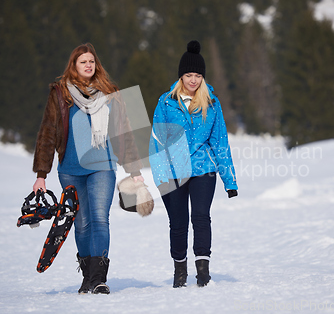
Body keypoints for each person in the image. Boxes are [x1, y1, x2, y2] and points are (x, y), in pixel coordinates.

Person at [32, 43, 143, 294]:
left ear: (97, 65)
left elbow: (123, 134)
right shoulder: (61, 94)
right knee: (81, 224)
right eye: (83, 62)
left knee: (100, 220)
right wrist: (41, 175)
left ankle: (99, 278)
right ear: (74, 65)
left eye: (91, 61)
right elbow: (48, 133)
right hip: (70, 169)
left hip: (102, 166)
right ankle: (86, 277)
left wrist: (133, 169)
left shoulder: (111, 94)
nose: (88, 65)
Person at [149, 40, 238, 288]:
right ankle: (180, 272)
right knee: (178, 223)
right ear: (181, 76)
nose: (193, 80)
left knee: (200, 217)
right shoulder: (166, 103)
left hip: (203, 170)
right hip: (173, 171)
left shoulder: (212, 103)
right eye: (188, 75)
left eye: (198, 75)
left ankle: (203, 272)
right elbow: (157, 142)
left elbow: (220, 143)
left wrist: (229, 180)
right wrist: (160, 176)